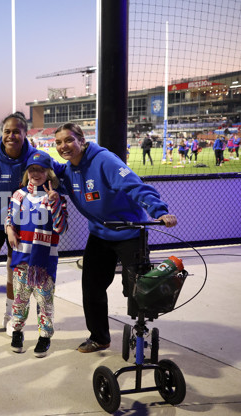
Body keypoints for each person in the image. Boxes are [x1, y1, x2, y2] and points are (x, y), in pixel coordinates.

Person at [53, 123, 177, 353]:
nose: (64, 146)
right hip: (100, 233)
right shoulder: (67, 171)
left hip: (130, 231)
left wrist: (159, 211)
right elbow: (44, 168)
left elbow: (135, 186)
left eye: (69, 140)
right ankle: (100, 338)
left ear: (81, 140)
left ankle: (141, 335)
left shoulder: (105, 161)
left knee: (138, 290)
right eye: (58, 142)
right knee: (91, 288)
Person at [0, 111, 64, 341]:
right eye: (7, 131)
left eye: (16, 132)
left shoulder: (35, 157)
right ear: (2, 133)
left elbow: (57, 173)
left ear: (24, 133)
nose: (11, 136)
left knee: (15, 271)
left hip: (22, 225)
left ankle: (9, 318)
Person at [5, 151, 68, 357]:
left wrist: (55, 203)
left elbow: (61, 228)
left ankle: (44, 337)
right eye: (32, 170)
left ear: (49, 173)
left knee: (45, 301)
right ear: (27, 173)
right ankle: (17, 332)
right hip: (21, 259)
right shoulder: (19, 195)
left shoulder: (57, 198)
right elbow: (10, 219)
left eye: (41, 170)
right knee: (20, 300)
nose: (36, 173)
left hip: (44, 262)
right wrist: (8, 229)